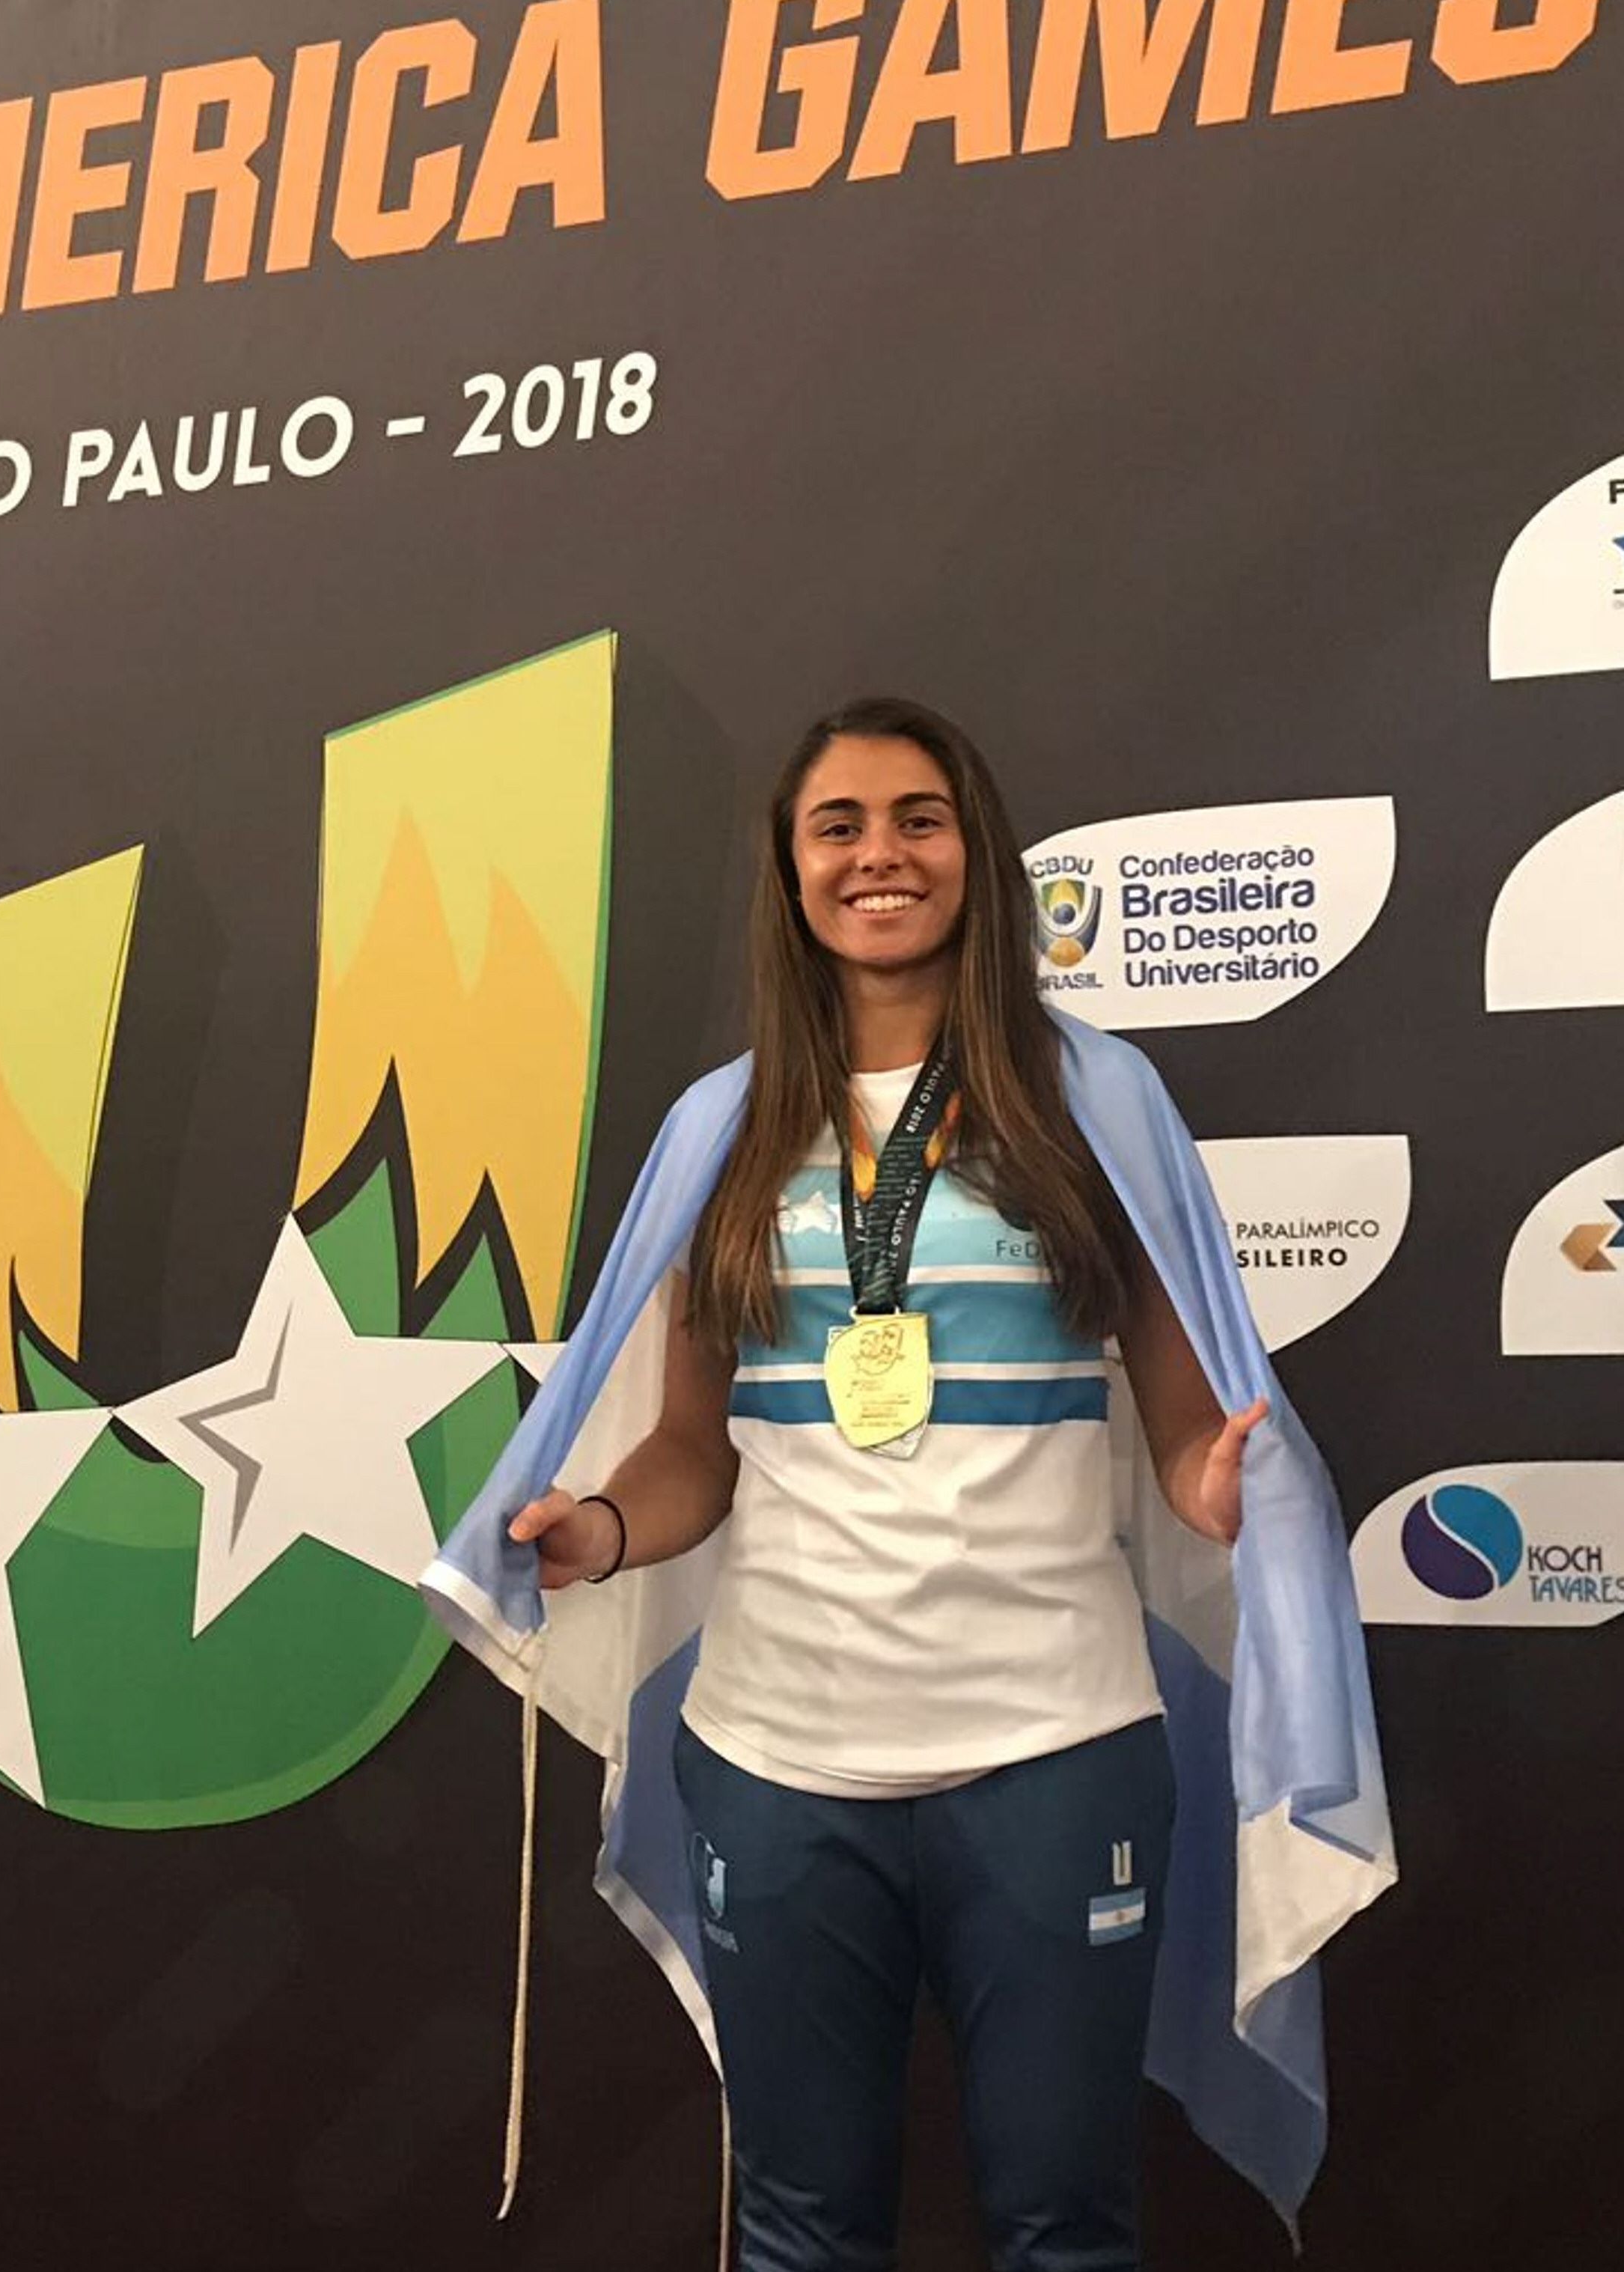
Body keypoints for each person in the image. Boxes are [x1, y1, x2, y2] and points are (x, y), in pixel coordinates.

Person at [421, 695, 1393, 2271]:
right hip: (776, 1757)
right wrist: (595, 1530)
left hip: (1055, 1749)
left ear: (973, 852)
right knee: (800, 2232)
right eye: (839, 825)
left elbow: (1179, 1423)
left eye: (917, 819)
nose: (879, 854)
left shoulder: (1092, 1104)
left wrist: (1220, 1494)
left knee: (1065, 2230)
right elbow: (690, 1454)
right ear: (791, 871)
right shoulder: (724, 1130)